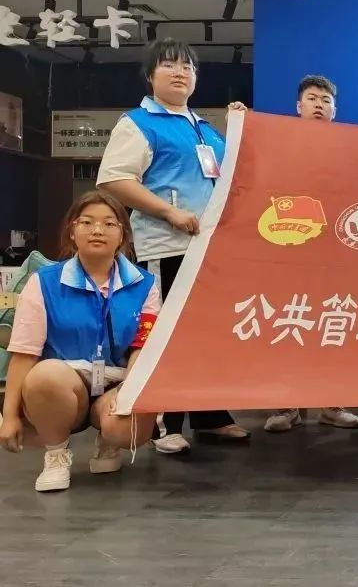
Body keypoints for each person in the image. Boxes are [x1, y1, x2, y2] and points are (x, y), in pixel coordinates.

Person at [96, 39, 250, 453]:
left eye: (187, 67)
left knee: (208, 334)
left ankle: (210, 416)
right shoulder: (139, 122)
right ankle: (165, 423)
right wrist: (167, 212)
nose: (180, 72)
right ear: (150, 76)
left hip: (210, 251)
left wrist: (239, 127)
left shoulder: (204, 128)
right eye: (169, 65)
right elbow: (113, 178)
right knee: (167, 334)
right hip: (167, 246)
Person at [0, 191, 160, 492]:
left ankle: (109, 442)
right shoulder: (44, 282)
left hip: (116, 380)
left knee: (130, 424)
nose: (97, 230)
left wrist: (128, 391)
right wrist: (9, 416)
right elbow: (23, 353)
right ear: (72, 231)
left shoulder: (145, 284)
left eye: (109, 224)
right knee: (45, 376)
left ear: (123, 235)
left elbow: (143, 347)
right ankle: (56, 454)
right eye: (87, 222)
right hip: (65, 381)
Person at [228, 76, 358, 433]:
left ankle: (332, 404)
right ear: (298, 106)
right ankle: (287, 405)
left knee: (332, 324)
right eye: (312, 98)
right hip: (287, 250)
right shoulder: (277, 144)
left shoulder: (350, 148)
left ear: (335, 110)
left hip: (334, 254)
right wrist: (240, 121)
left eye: (326, 100)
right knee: (290, 324)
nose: (319, 104)